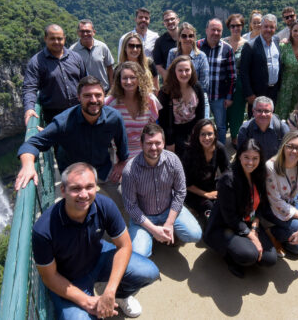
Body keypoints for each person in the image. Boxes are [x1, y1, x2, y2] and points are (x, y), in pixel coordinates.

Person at [32, 163, 159, 319]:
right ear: (63, 191)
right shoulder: (43, 230)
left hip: (99, 258)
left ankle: (120, 297)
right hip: (69, 279)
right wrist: (87, 302)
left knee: (149, 272)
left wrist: (110, 292)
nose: (84, 194)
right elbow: (49, 277)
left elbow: (125, 246)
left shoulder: (104, 205)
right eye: (76, 188)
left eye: (89, 187)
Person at [16, 76, 129, 189]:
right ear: (79, 97)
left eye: (98, 95)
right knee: (80, 203)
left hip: (103, 169)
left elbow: (122, 145)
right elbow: (31, 144)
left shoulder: (114, 118)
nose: (94, 100)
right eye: (87, 96)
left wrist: (121, 163)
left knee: (123, 201)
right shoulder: (63, 122)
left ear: (104, 96)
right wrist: (28, 166)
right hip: (75, 176)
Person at [122, 124, 203, 256]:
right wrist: (154, 230)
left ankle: (168, 231)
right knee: (139, 254)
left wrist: (169, 223)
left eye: (158, 143)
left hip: (168, 210)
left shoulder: (173, 160)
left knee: (195, 234)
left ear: (164, 143)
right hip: (144, 216)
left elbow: (180, 192)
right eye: (149, 143)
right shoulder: (130, 170)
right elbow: (131, 207)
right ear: (141, 144)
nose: (154, 148)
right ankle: (155, 235)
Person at [204, 138, 278, 278]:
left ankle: (244, 249)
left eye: (255, 158)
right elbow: (230, 217)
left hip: (249, 220)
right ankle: (230, 257)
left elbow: (260, 206)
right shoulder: (228, 179)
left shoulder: (259, 175)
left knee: (270, 259)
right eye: (246, 157)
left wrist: (255, 228)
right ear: (239, 156)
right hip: (225, 226)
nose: (250, 162)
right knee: (250, 255)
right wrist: (252, 237)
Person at [23, 24, 87, 126]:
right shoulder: (36, 62)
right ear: (45, 39)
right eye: (52, 38)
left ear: (64, 39)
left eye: (59, 38)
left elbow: (85, 82)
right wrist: (29, 108)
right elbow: (29, 88)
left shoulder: (76, 58)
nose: (56, 42)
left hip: (78, 111)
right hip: (53, 116)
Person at [264, 130, 298, 256]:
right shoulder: (271, 166)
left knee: (297, 248)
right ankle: (266, 229)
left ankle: (274, 231)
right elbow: (276, 202)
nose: (294, 151)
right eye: (290, 146)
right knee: (296, 228)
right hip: (271, 207)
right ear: (283, 147)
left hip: (291, 202)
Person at [105, 62, 161, 166]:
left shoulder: (150, 101)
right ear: (119, 80)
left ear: (139, 79)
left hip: (146, 152)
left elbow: (152, 131)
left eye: (132, 77)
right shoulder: (110, 103)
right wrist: (120, 162)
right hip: (119, 156)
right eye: (125, 78)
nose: (129, 81)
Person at [197, 18, 236, 145]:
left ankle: (221, 150)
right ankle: (204, 150)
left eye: (218, 30)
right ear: (206, 30)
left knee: (221, 126)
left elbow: (232, 76)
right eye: (213, 29)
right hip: (200, 97)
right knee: (203, 126)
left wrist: (229, 97)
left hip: (219, 96)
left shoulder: (227, 49)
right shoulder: (197, 46)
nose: (215, 33)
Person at [156, 55, 206, 156]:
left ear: (192, 71)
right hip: (174, 133)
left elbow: (201, 114)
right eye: (180, 70)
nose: (184, 74)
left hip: (193, 130)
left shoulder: (197, 87)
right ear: (174, 71)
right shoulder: (166, 92)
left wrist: (199, 135)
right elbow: (163, 121)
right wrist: (169, 142)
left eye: (187, 70)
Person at [182, 119, 229, 218]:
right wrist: (207, 195)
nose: (207, 138)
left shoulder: (219, 148)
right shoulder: (190, 151)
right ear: (197, 136)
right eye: (203, 134)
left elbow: (227, 173)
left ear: (215, 134)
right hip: (193, 192)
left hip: (211, 186)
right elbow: (186, 184)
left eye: (210, 134)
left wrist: (222, 190)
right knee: (210, 209)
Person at [240, 14, 282, 106]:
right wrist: (249, 94)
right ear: (261, 27)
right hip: (257, 93)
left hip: (274, 91)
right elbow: (243, 72)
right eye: (266, 26)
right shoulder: (250, 46)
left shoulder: (276, 41)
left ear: (275, 28)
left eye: (272, 27)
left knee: (271, 117)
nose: (268, 30)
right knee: (256, 119)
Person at [276, 19, 298, 119]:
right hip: (283, 88)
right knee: (281, 117)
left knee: (297, 117)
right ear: (291, 32)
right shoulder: (283, 47)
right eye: (295, 30)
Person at [237, 96, 289, 162]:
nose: (263, 114)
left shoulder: (282, 128)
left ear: (272, 112)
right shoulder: (245, 129)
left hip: (275, 166)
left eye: (267, 111)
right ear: (253, 111)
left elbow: (287, 153)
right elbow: (241, 155)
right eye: (259, 110)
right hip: (252, 166)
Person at [71, 19, 114, 94]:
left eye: (88, 31)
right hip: (84, 93)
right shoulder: (72, 51)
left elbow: (110, 68)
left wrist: (112, 89)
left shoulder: (102, 47)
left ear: (94, 32)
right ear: (78, 33)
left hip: (104, 91)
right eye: (82, 31)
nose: (85, 34)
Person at [167, 22, 210, 96]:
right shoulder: (172, 54)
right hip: (177, 95)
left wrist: (191, 96)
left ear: (194, 38)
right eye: (184, 36)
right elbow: (170, 78)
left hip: (198, 96)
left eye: (190, 36)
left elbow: (204, 83)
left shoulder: (201, 56)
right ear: (179, 38)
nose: (187, 39)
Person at [225, 13, 248, 147]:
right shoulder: (222, 42)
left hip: (239, 82)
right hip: (224, 81)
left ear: (242, 26)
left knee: (238, 110)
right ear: (229, 27)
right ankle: (222, 135)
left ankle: (235, 136)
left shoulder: (247, 45)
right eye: (233, 26)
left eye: (238, 25)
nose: (235, 28)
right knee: (223, 110)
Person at [153, 10, 181, 80]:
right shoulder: (159, 42)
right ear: (164, 23)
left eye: (172, 19)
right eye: (167, 20)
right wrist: (167, 76)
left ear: (178, 20)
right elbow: (158, 64)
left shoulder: (187, 37)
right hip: (170, 81)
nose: (170, 22)